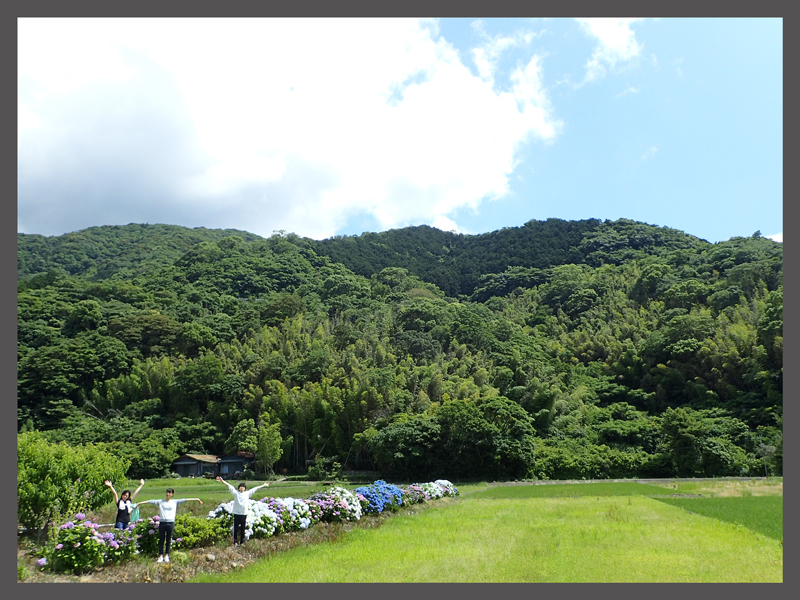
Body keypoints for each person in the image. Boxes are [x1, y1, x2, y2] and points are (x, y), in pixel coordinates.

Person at [135, 488, 203, 563]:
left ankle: (167, 555)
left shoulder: (175, 502)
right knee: (161, 539)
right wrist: (139, 503)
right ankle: (160, 556)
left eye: (170, 492)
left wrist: (197, 499)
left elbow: (185, 499)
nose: (168, 494)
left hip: (170, 523)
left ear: (172, 494)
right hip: (163, 523)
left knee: (168, 539)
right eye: (167, 492)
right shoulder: (160, 502)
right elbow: (150, 501)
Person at [215, 476, 270, 545]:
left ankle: (242, 542)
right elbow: (229, 485)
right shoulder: (236, 493)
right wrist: (222, 481)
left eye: (243, 487)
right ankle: (234, 541)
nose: (242, 488)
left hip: (243, 514)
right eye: (240, 486)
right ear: (239, 488)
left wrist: (264, 485)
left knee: (242, 529)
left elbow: (255, 488)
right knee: (235, 528)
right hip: (236, 513)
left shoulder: (247, 494)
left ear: (245, 488)